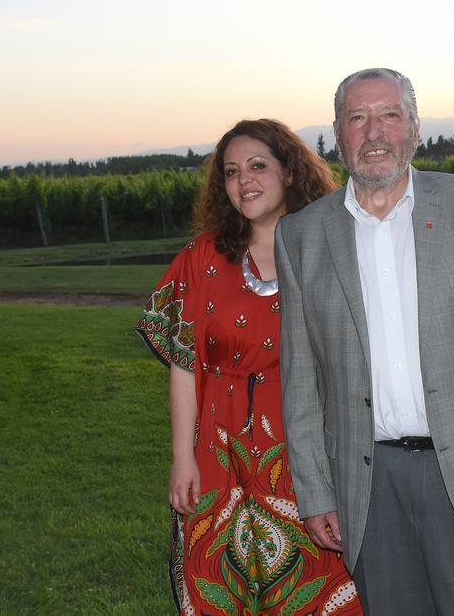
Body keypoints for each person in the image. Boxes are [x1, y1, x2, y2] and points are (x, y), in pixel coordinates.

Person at [274, 68, 454, 615]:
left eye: (390, 116)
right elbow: (301, 383)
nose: (374, 132)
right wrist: (316, 491)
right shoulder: (301, 236)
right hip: (368, 483)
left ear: (415, 128)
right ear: (338, 132)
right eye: (358, 118)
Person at [135, 119, 362, 615]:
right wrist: (182, 458)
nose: (245, 181)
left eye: (258, 165)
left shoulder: (331, 251)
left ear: (290, 172)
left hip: (306, 452)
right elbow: (181, 364)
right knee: (218, 581)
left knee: (319, 584)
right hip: (217, 453)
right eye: (232, 172)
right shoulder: (202, 258)